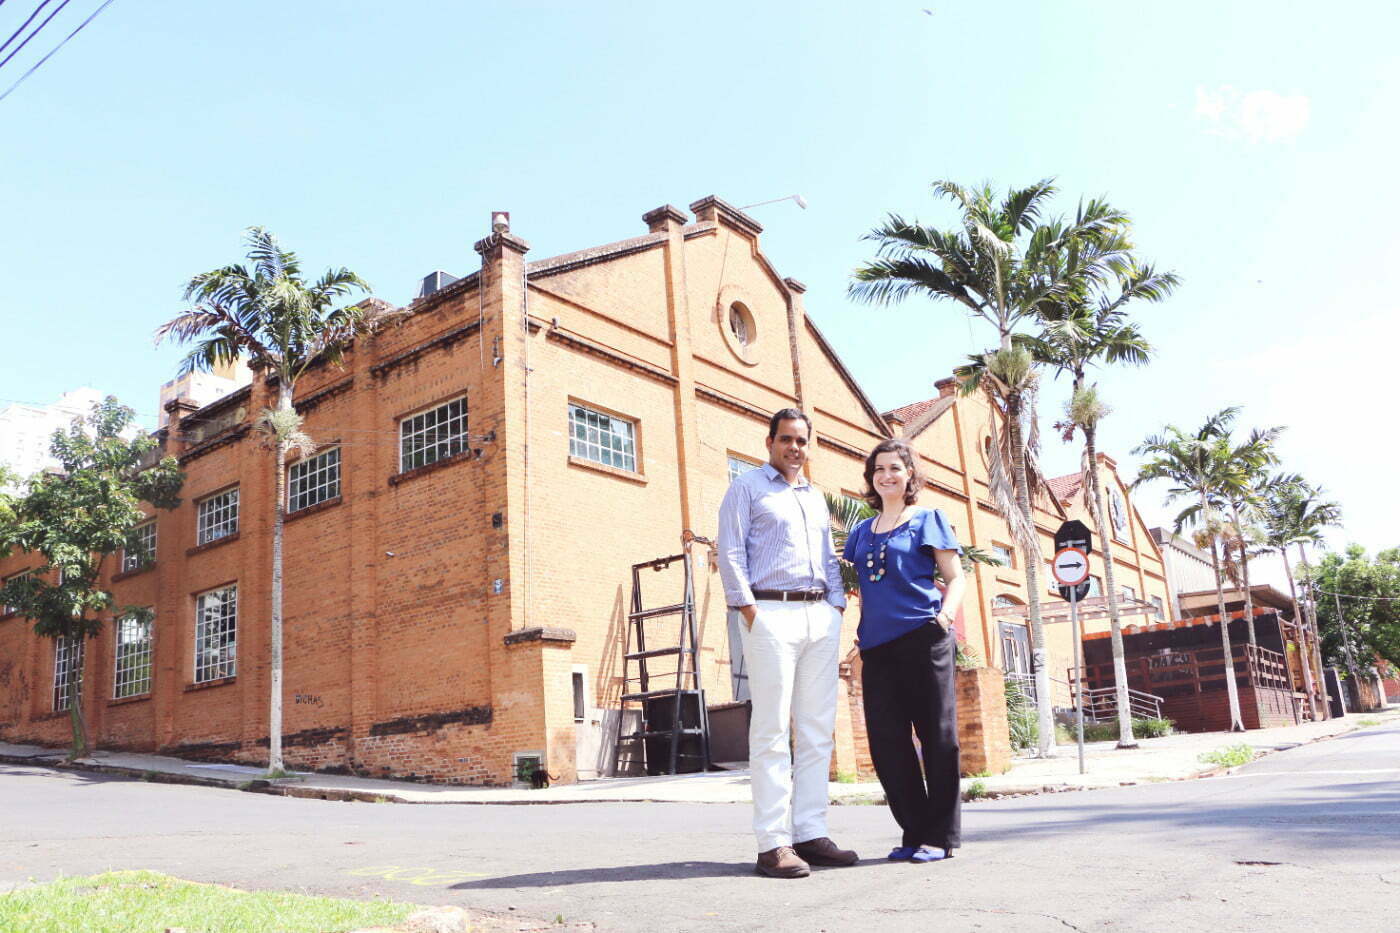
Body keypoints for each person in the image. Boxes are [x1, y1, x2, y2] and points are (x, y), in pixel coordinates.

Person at [716, 408, 857, 879]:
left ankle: (810, 833)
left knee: (817, 731)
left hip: (819, 614)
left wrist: (835, 605)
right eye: (786, 440)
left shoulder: (815, 498)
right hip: (770, 612)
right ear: (769, 442)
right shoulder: (746, 488)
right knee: (773, 731)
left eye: (801, 441)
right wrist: (749, 609)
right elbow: (730, 551)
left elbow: (827, 556)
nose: (794, 448)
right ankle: (772, 843)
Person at [842, 437, 967, 863]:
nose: (886, 476)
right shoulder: (860, 531)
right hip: (876, 649)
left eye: (895, 467)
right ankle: (913, 831)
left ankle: (941, 835)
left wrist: (945, 619)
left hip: (923, 639)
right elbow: (860, 584)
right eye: (879, 469)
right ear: (870, 477)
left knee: (938, 737)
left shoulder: (927, 519)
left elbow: (957, 577)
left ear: (909, 473)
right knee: (887, 744)